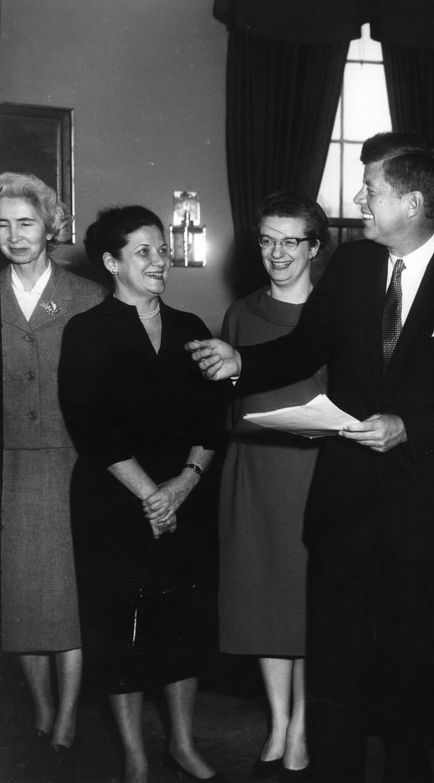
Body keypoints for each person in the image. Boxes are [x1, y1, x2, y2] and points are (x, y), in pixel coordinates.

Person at [188, 131, 434, 783]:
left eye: (371, 190)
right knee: (336, 665)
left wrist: (411, 426)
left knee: (409, 666)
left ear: (414, 202)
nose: (358, 200)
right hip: (344, 506)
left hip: (426, 509)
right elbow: (305, 347)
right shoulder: (351, 266)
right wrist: (241, 362)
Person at [59, 206, 229, 783]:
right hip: (115, 499)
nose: (161, 261)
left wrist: (183, 484)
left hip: (185, 492)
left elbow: (214, 421)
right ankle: (134, 755)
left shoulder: (191, 328)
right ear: (112, 263)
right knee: (120, 629)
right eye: (145, 252)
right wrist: (150, 497)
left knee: (184, 621)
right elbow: (91, 428)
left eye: (163, 249)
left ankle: (182, 744)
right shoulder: (87, 331)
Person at [217, 192, 329, 781]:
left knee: (308, 603)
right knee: (263, 599)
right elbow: (226, 399)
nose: (277, 252)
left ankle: (305, 725)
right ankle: (279, 720)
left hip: (314, 473)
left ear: (314, 247)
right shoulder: (240, 313)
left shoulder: (337, 312)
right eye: (267, 239)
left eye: (291, 240)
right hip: (254, 470)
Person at [0, 172, 106, 777]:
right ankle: (41, 708)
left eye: (26, 222)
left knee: (67, 600)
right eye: (4, 224)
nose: (15, 235)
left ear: (50, 226)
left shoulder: (86, 297)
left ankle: (68, 714)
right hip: (9, 465)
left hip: (72, 462)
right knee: (20, 605)